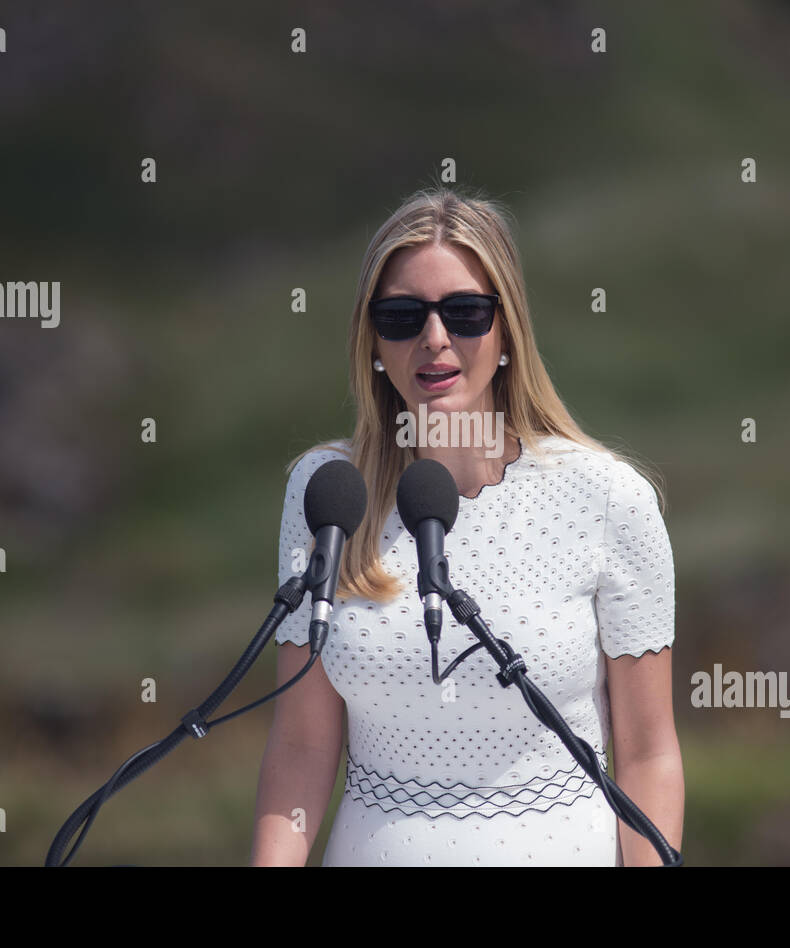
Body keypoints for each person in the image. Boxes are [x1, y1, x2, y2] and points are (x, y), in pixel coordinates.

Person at [250, 186, 682, 866]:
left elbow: (649, 753)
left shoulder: (608, 499)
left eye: (465, 311)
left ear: (507, 329)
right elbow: (302, 746)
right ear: (371, 339)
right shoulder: (327, 492)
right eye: (400, 315)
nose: (434, 337)